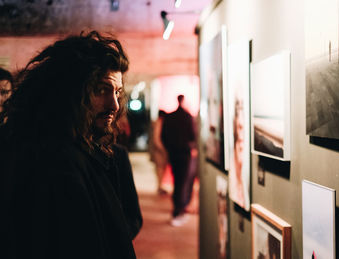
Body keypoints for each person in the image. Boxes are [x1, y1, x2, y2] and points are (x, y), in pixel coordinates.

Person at [0, 31, 142, 259]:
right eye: (101, 90)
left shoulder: (85, 152)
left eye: (117, 92)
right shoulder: (54, 161)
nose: (115, 105)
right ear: (68, 92)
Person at [161, 95, 196, 226]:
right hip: (185, 154)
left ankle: (177, 208)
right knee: (183, 182)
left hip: (174, 153)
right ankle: (179, 209)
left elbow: (163, 136)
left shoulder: (170, 117)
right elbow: (193, 135)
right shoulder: (187, 116)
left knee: (177, 181)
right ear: (183, 101)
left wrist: (169, 148)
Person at [151, 110, 169, 194]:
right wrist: (163, 149)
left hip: (157, 150)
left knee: (159, 168)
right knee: (160, 168)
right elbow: (156, 138)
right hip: (159, 151)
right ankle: (159, 186)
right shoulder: (159, 123)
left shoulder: (156, 122)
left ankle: (159, 186)